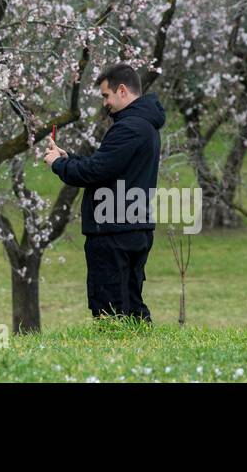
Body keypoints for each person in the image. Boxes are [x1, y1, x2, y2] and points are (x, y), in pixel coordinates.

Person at [42, 63, 165, 324]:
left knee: (111, 309)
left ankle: (120, 360)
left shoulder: (129, 127)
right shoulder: (144, 126)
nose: (105, 103)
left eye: (106, 95)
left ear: (122, 91)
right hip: (132, 226)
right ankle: (143, 356)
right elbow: (110, 168)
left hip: (115, 232)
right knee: (131, 303)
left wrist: (58, 164)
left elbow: (95, 172)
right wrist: (70, 158)